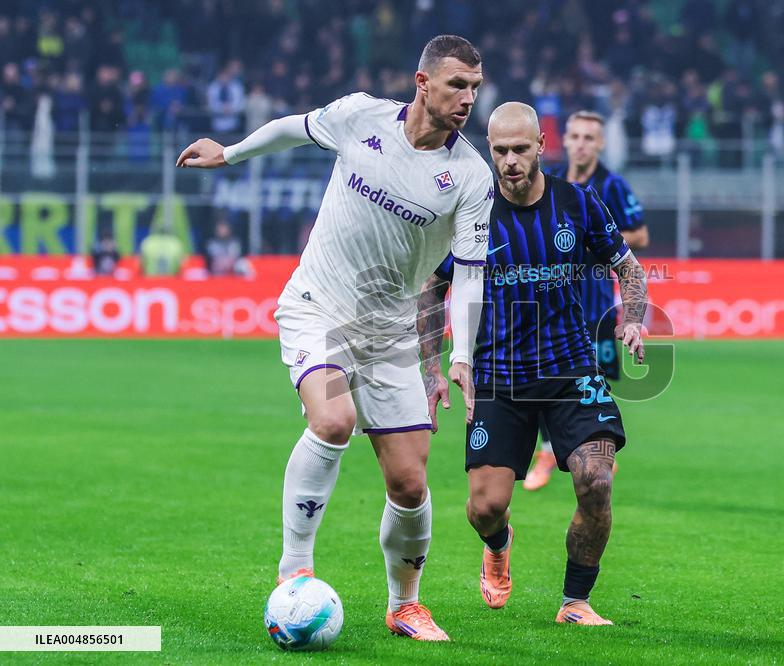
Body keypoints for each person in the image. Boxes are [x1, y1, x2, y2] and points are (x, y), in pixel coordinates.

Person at [175, 35, 491, 642]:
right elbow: (294, 127)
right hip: (318, 304)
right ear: (422, 83)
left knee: (409, 482)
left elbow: (471, 272)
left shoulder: (469, 177)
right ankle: (294, 570)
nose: (467, 98)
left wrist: (462, 355)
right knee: (333, 420)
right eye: (457, 84)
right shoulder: (360, 117)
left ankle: (405, 605)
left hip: (391, 329)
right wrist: (232, 153)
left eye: (475, 87)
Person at [417, 102, 648, 625]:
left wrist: (631, 319)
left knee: (597, 481)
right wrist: (434, 367)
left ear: (542, 146)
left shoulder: (577, 203)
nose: (510, 161)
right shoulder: (473, 211)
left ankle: (575, 602)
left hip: (571, 369)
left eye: (521, 149)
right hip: (499, 377)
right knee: (485, 508)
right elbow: (432, 290)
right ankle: (498, 545)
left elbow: (631, 271)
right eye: (500, 150)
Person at [525, 110, 648, 491]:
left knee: (597, 382)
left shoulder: (611, 185)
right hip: (555, 302)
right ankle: (548, 450)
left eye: (588, 138)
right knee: (545, 376)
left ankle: (595, 451)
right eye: (575, 136)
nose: (580, 144)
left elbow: (640, 237)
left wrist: (593, 236)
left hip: (596, 307)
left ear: (600, 144)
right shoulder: (553, 181)